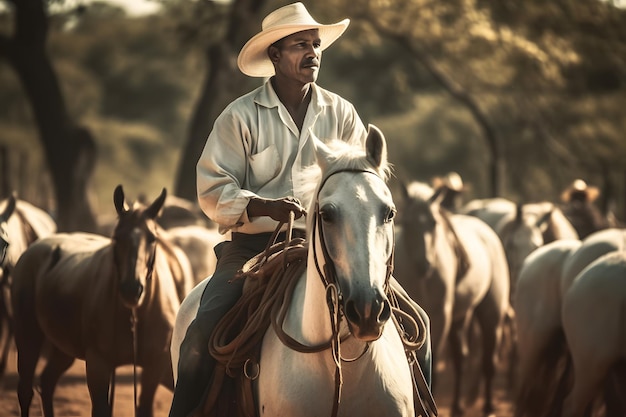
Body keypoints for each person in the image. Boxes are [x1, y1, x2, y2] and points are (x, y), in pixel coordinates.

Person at [169, 3, 432, 416]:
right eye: (300, 45)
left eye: (315, 44)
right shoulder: (239, 117)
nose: (312, 53)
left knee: (419, 324)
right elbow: (211, 190)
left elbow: (365, 184)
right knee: (203, 331)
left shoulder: (342, 113)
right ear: (274, 55)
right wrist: (259, 205)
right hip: (252, 248)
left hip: (335, 245)